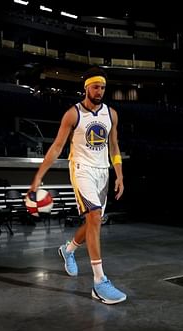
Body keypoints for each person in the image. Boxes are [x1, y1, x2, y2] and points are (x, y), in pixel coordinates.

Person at [28, 66, 126, 304]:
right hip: (81, 169)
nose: (100, 91)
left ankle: (68, 250)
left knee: (95, 220)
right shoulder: (73, 114)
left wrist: (120, 175)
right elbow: (57, 147)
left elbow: (114, 147)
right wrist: (38, 177)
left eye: (103, 87)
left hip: (104, 172)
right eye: (95, 86)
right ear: (86, 88)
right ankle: (99, 282)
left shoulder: (111, 114)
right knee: (93, 216)